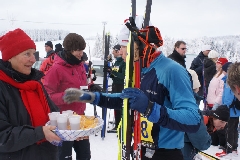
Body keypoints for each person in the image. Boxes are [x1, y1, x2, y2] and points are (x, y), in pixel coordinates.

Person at [63, 20, 201, 160]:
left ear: (140, 45)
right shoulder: (139, 70)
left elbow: (193, 119)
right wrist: (92, 97)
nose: (121, 52)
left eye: (124, 46)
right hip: (139, 149)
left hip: (165, 152)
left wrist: (149, 108)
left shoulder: (172, 70)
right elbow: (127, 100)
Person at [0, 28, 60, 159]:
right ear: (10, 57)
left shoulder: (36, 84)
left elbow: (54, 114)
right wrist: (39, 133)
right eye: (27, 54)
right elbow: (3, 136)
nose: (33, 59)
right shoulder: (2, 87)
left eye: (34, 53)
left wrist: (73, 129)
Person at [43, 33, 91, 160]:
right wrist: (68, 96)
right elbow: (47, 96)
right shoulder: (56, 69)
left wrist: (90, 88)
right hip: (63, 123)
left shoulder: (80, 65)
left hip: (79, 119)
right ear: (69, 50)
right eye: (78, 50)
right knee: (64, 157)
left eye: (82, 50)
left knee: (85, 156)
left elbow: (81, 86)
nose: (81, 53)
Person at [216, 62, 240, 157]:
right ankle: (234, 146)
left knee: (228, 129)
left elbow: (228, 97)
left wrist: (224, 107)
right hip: (236, 111)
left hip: (230, 111)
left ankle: (228, 148)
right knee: (234, 129)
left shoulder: (229, 82)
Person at [107, 44, 126, 133]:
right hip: (115, 86)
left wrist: (114, 73)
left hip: (121, 87)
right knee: (115, 105)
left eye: (114, 51)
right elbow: (114, 75)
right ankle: (117, 123)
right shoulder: (116, 62)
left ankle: (120, 125)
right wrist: (110, 72)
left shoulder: (123, 62)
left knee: (120, 106)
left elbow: (123, 76)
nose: (112, 53)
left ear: (118, 51)